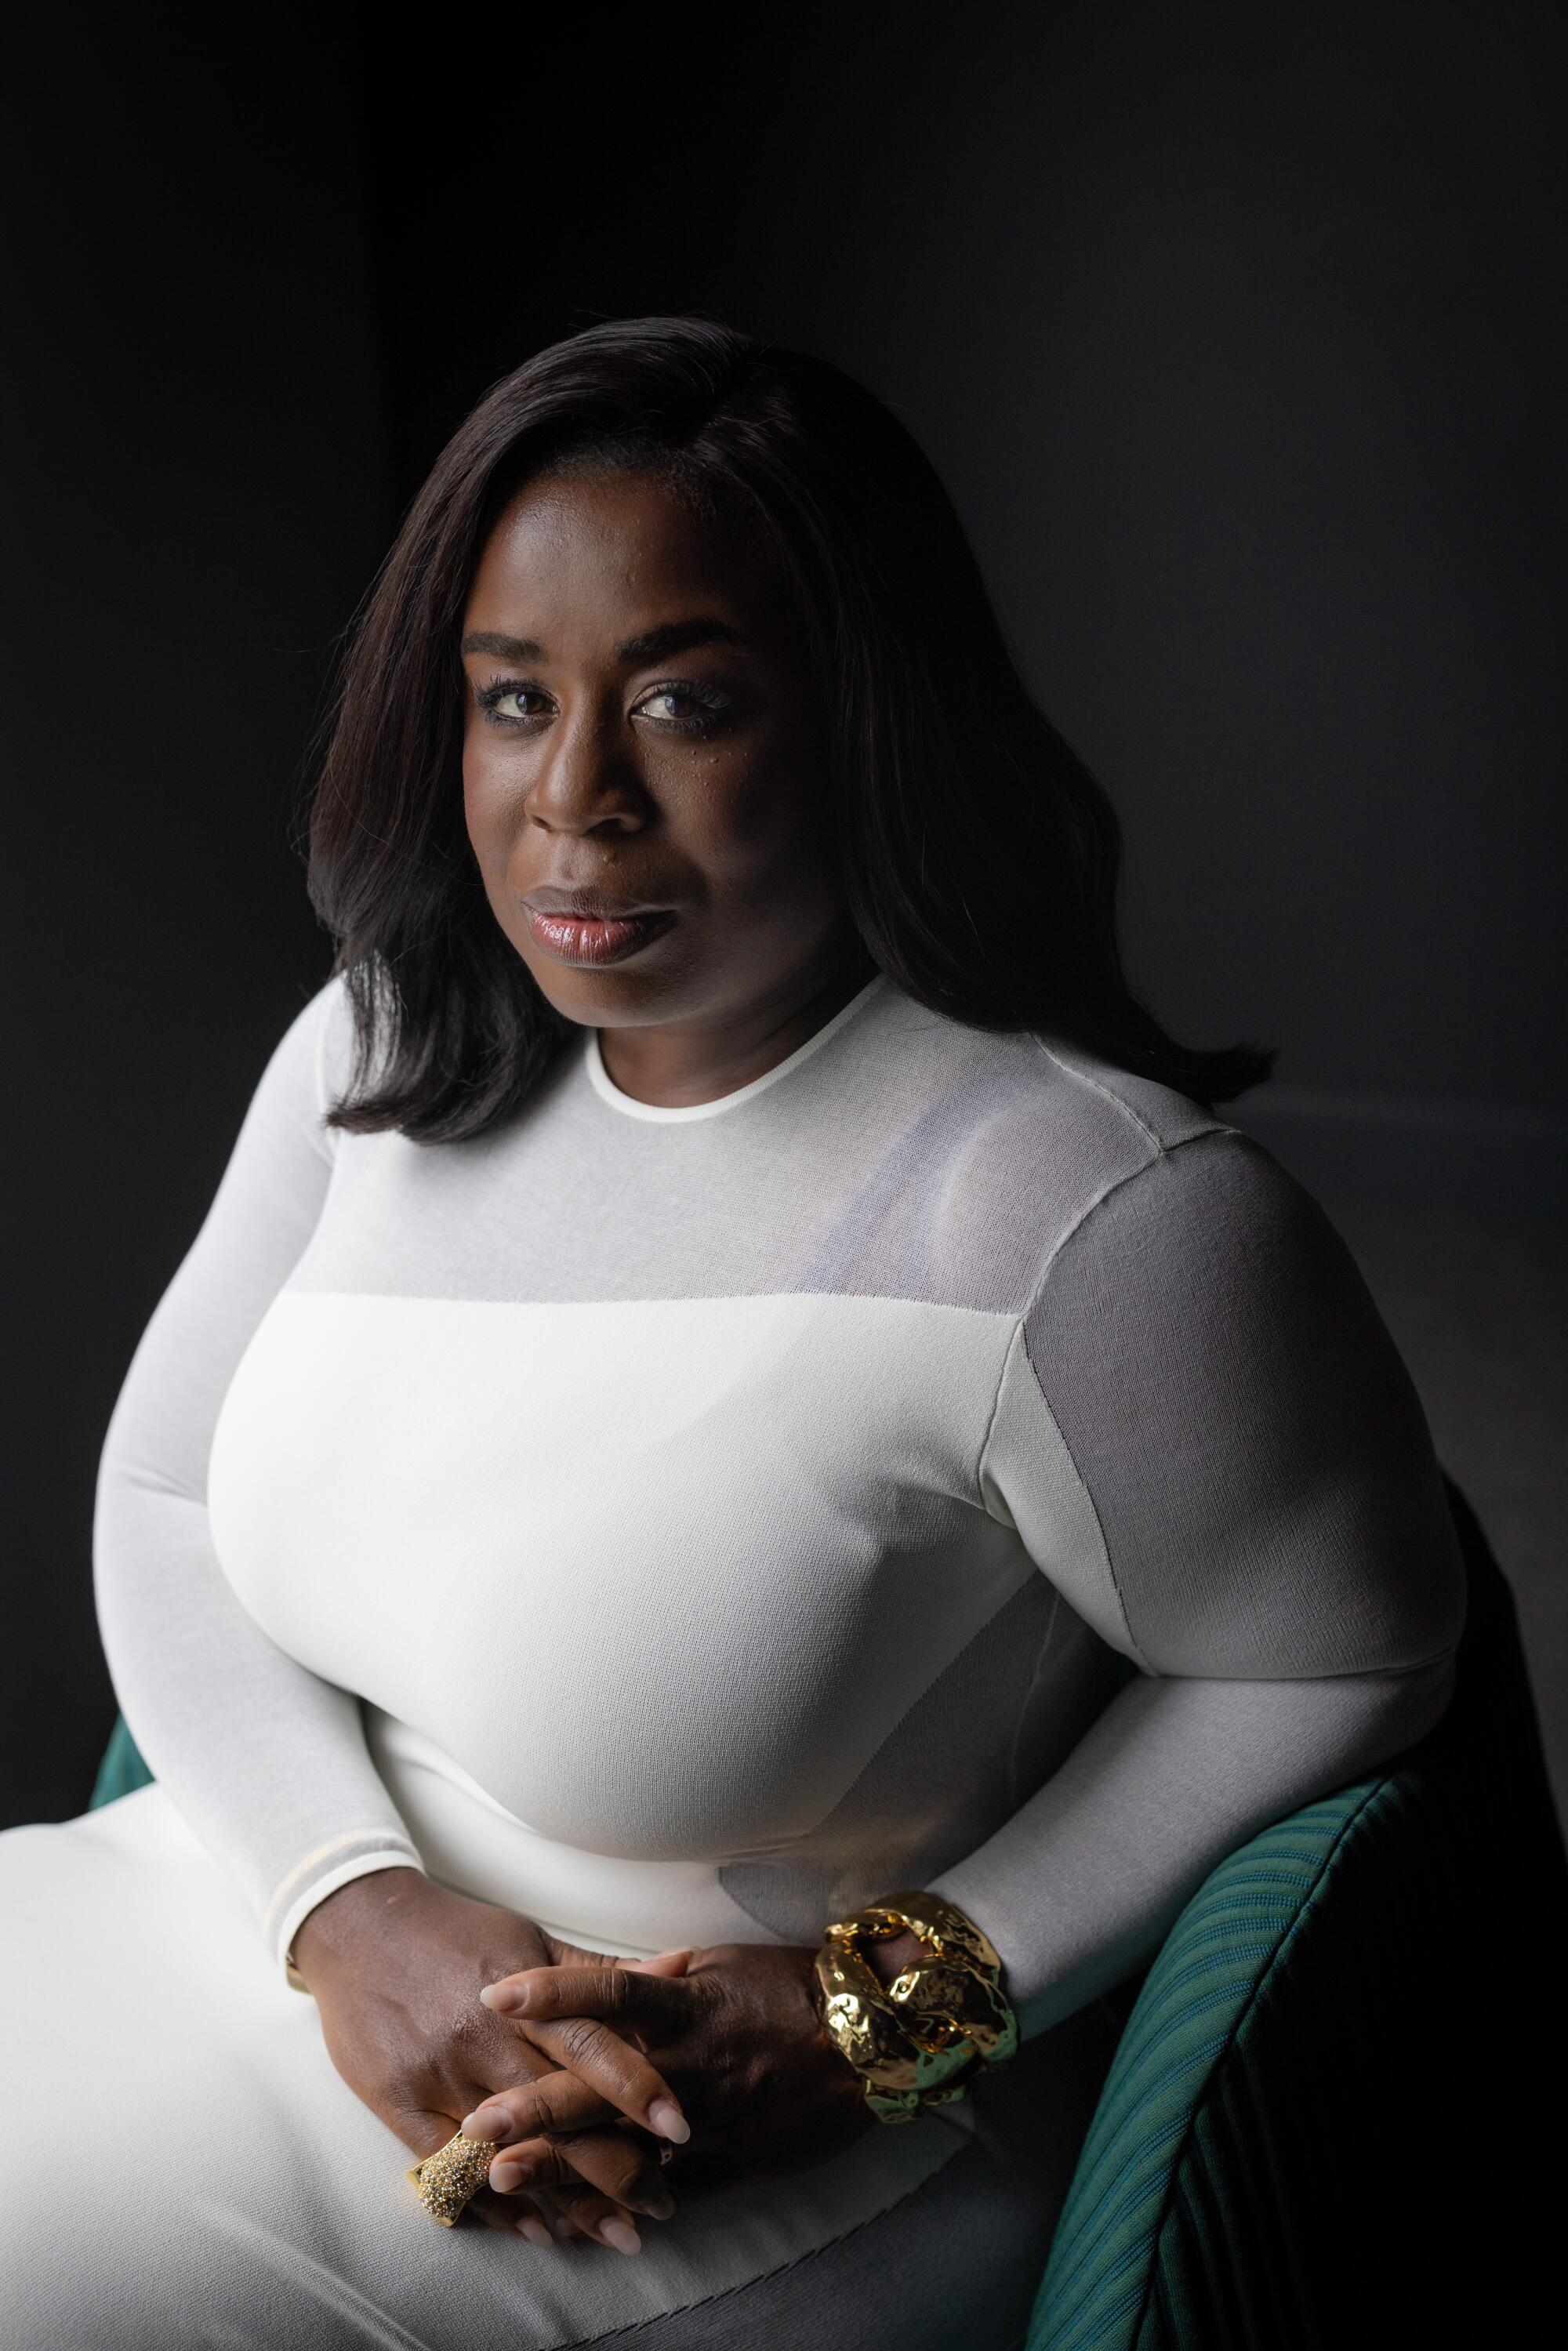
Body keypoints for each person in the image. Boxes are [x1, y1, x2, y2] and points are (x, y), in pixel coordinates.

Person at [0, 317, 1466, 2349]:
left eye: (683, 703)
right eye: (514, 700)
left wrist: (903, 2001)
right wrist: (338, 1904)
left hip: (703, 2141)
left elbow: (1350, 1650)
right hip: (246, 1929)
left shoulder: (1076, 1210)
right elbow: (166, 1496)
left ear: (864, 719)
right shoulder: (378, 1051)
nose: (574, 800)